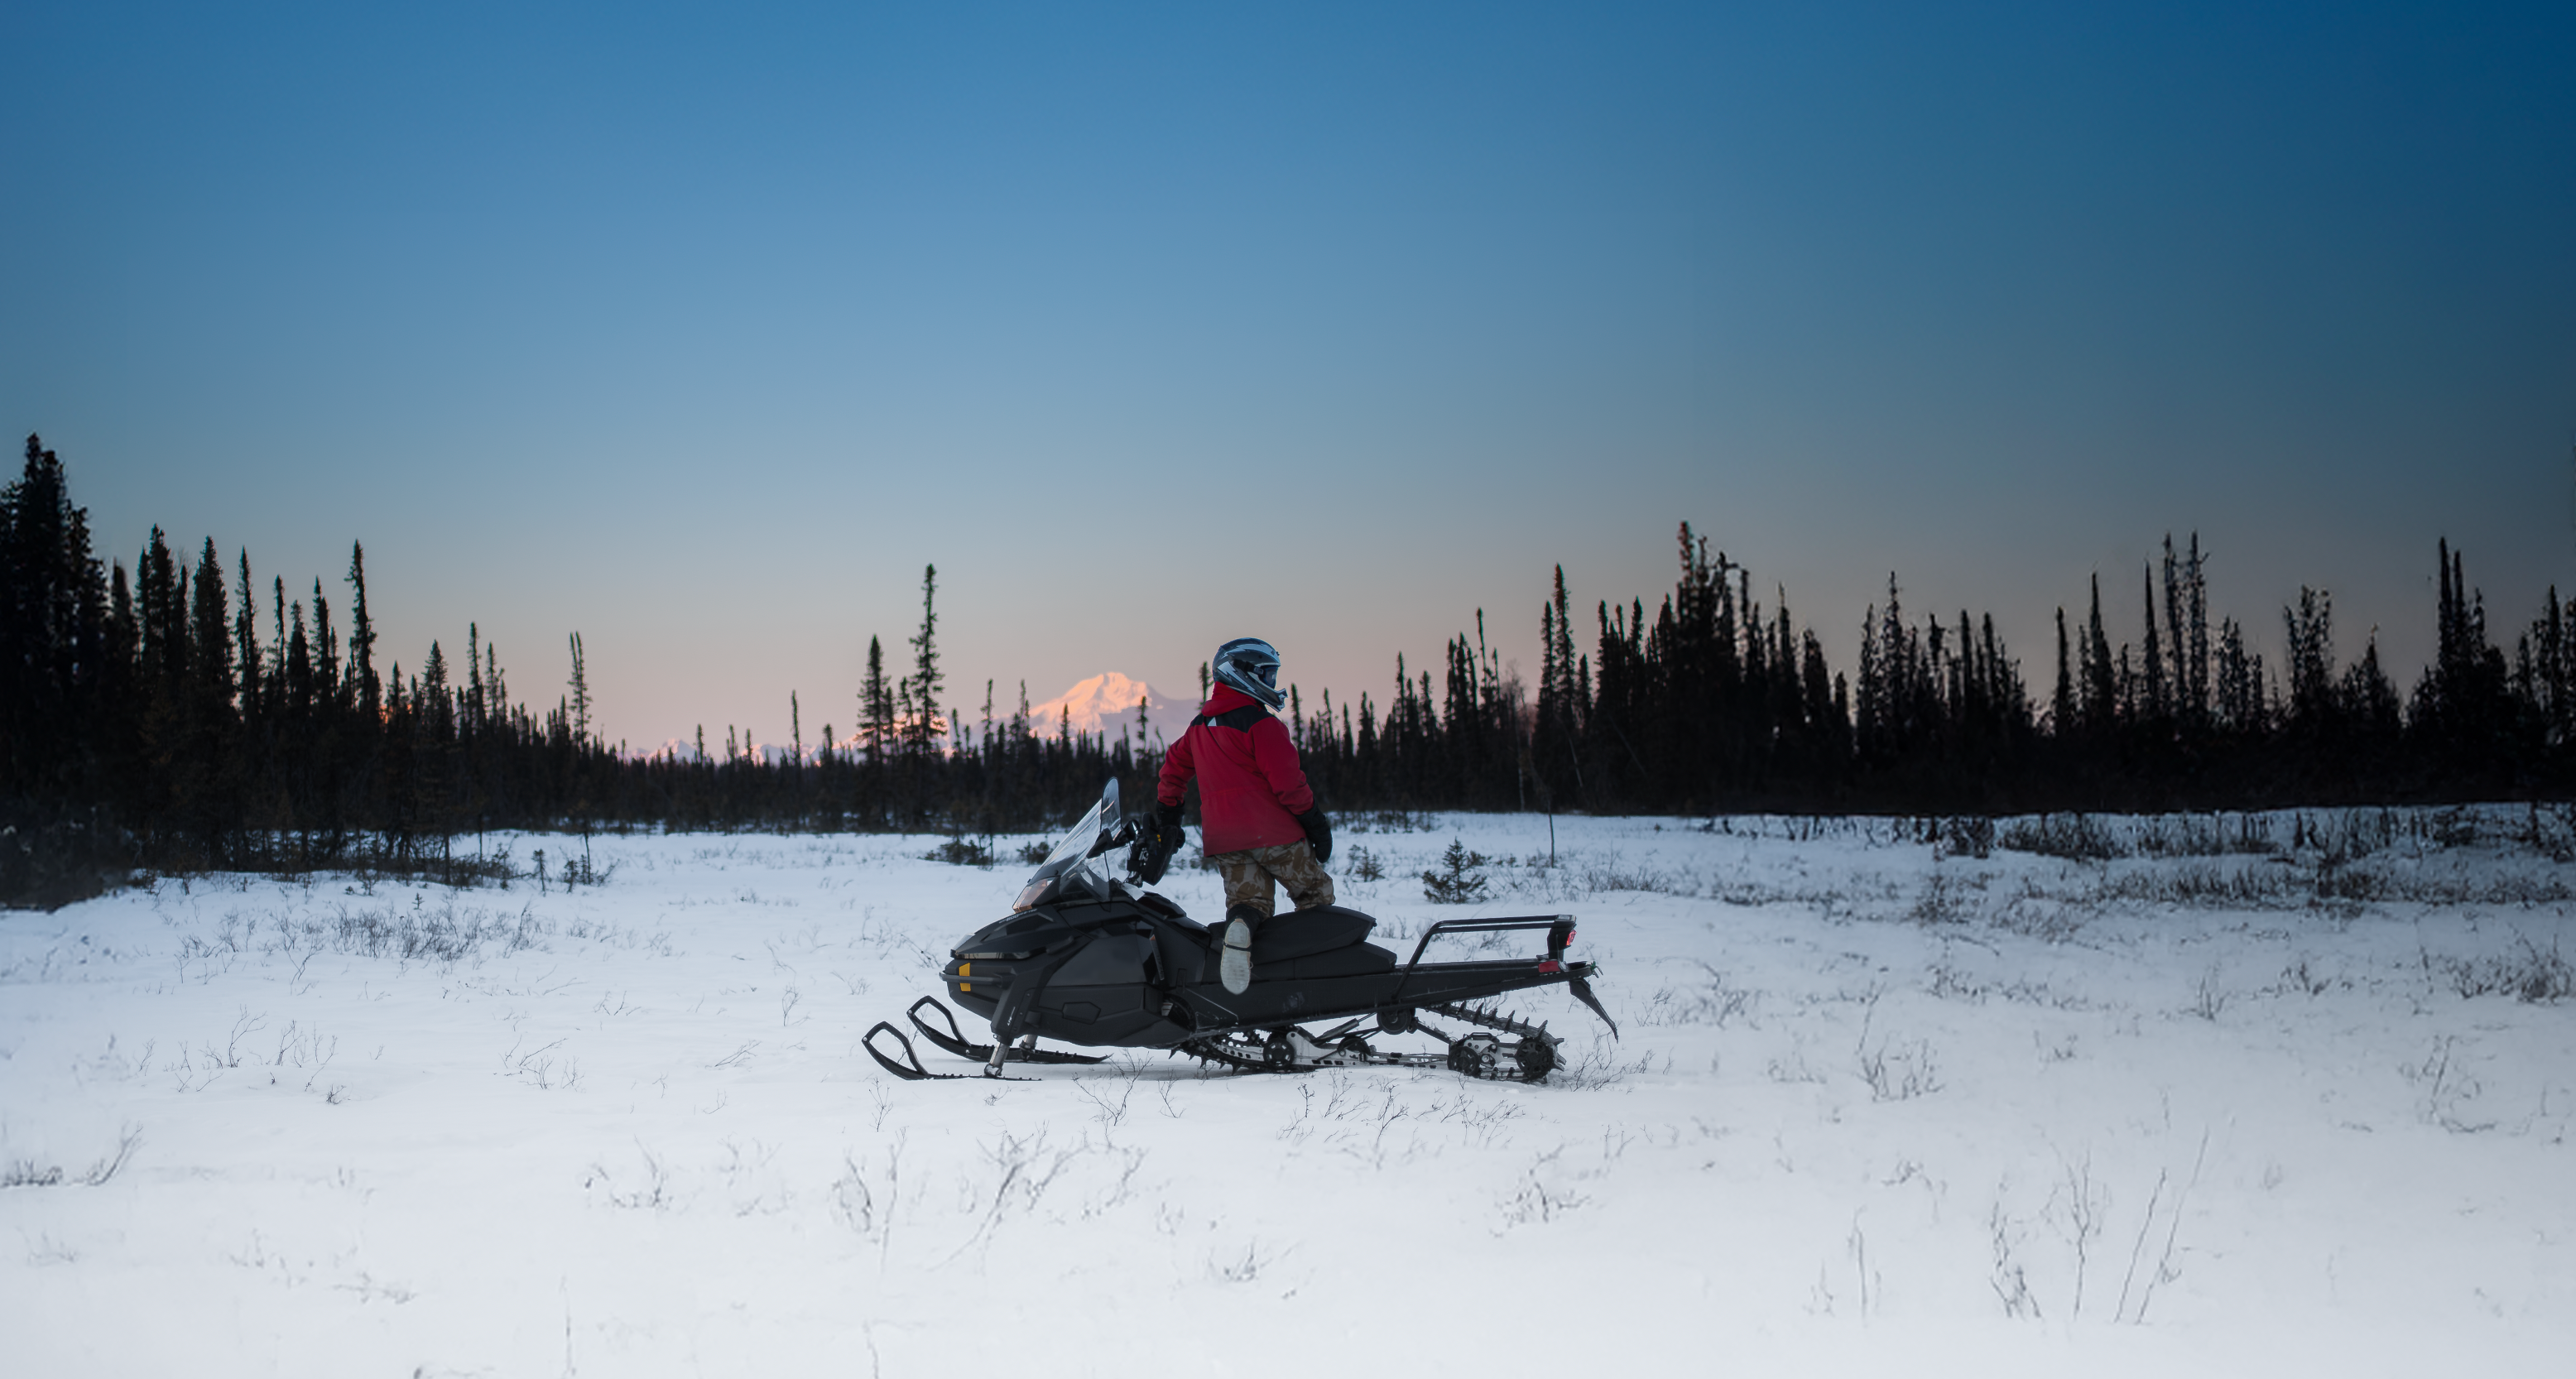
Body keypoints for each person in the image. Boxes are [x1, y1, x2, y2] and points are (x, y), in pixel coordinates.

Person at [1143, 637, 1334, 994]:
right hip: (1276, 835)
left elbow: (1172, 771)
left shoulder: (1199, 728)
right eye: (1267, 674)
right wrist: (1315, 823)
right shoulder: (1262, 725)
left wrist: (1169, 815)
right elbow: (1289, 785)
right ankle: (1320, 965)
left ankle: (1241, 934)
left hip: (1225, 841)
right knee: (1314, 894)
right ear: (1240, 673)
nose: (1272, 683)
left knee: (1250, 904)